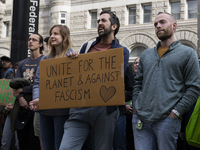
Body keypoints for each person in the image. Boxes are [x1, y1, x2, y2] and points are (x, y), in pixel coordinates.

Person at [58, 10, 129, 150]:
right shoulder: (87, 47)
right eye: (98, 21)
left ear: (114, 26)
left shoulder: (122, 51)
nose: (99, 24)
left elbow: (115, 78)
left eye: (103, 20)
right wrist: (73, 61)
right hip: (80, 107)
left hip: (105, 110)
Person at [132, 12, 200, 150]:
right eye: (155, 24)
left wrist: (175, 113)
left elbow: (194, 88)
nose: (158, 26)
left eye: (162, 22)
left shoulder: (188, 53)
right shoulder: (146, 54)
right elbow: (138, 82)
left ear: (174, 25)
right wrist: (135, 107)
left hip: (167, 121)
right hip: (141, 119)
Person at [30, 25, 73, 150]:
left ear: (64, 37)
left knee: (59, 145)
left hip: (62, 112)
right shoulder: (45, 58)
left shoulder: (71, 56)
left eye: (56, 34)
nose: (52, 37)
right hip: (44, 111)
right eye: (51, 34)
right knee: (47, 145)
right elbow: (37, 82)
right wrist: (37, 99)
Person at [12, 33, 44, 150]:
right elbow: (16, 84)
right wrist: (20, 98)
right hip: (23, 103)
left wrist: (23, 89)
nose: (30, 41)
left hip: (38, 100)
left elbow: (41, 84)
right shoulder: (22, 63)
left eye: (34, 40)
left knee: (35, 138)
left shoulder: (44, 60)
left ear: (40, 44)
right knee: (22, 138)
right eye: (29, 39)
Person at [125, 57, 140, 150]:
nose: (137, 65)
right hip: (127, 115)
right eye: (135, 63)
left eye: (139, 63)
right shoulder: (129, 78)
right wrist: (125, 105)